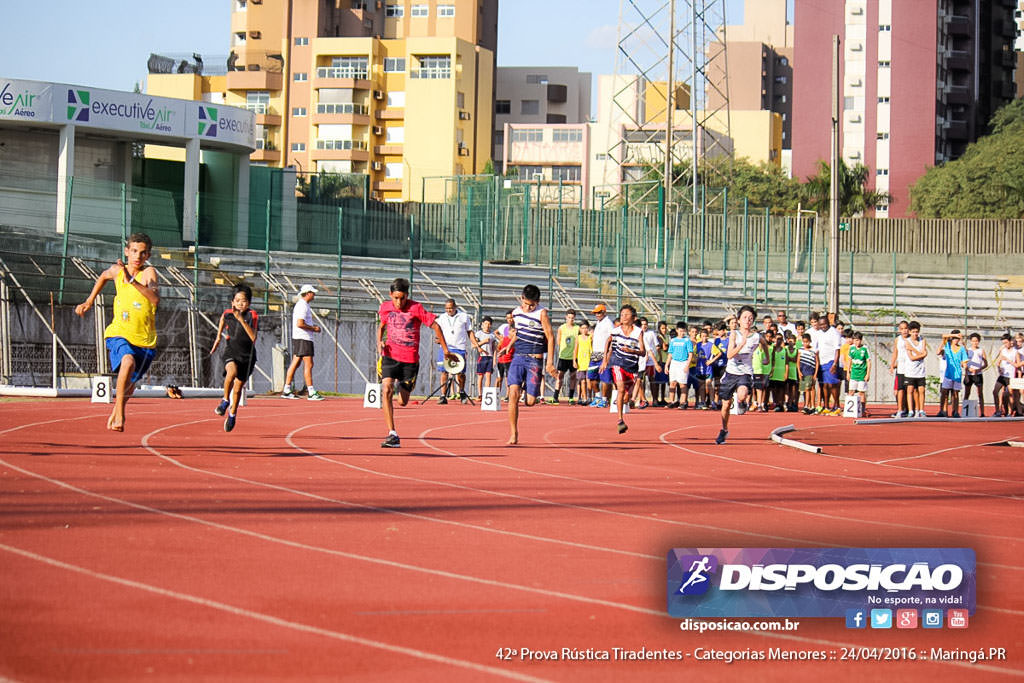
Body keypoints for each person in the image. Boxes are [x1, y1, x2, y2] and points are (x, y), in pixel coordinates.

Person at [74, 232, 159, 432]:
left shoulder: (148, 273)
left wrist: (132, 281)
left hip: (145, 340)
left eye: (143, 253)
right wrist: (89, 301)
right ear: (126, 251)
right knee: (127, 361)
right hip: (118, 332)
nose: (138, 256)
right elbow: (103, 276)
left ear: (148, 255)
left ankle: (117, 410)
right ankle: (120, 413)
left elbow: (154, 299)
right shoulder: (117, 271)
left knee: (131, 384)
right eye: (134, 251)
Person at [377, 278, 455, 448]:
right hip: (390, 355)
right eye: (396, 298)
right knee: (386, 389)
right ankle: (392, 433)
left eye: (403, 298)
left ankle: (402, 386)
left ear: (407, 296)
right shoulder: (385, 307)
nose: (399, 302)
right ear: (391, 295)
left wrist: (446, 350)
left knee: (403, 401)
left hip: (410, 361)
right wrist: (380, 343)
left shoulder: (416, 308)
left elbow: (435, 326)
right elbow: (381, 326)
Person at [506, 284, 556, 444]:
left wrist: (549, 362)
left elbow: (551, 337)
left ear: (537, 302)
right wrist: (509, 345)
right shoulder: (515, 313)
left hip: (535, 360)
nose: (528, 307)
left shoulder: (542, 314)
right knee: (513, 394)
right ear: (522, 298)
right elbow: (517, 333)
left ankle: (528, 388)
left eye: (532, 305)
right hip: (518, 358)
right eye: (526, 304)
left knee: (530, 401)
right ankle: (513, 434)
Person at [715, 305, 768, 445]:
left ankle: (742, 401)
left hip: (745, 373)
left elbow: (764, 344)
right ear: (738, 320)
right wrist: (742, 344)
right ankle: (724, 430)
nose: (748, 320)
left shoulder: (756, 336)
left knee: (742, 394)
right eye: (745, 317)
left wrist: (766, 357)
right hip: (731, 372)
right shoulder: (734, 334)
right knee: (725, 405)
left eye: (750, 318)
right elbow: (730, 354)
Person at [210, 284, 258, 432]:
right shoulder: (228, 313)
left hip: (247, 356)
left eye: (243, 301)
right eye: (237, 301)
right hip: (231, 351)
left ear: (248, 303)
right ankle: (225, 401)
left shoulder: (252, 315)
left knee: (237, 389)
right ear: (232, 302)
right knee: (231, 373)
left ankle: (232, 414)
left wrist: (241, 320)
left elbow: (253, 337)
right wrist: (218, 337)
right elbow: (222, 320)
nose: (240, 304)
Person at [599, 305, 646, 434]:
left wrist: (631, 350)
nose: (624, 316)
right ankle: (620, 420)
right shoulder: (615, 331)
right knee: (620, 389)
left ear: (633, 317)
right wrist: (605, 361)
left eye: (627, 314)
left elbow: (643, 352)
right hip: (617, 363)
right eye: (622, 314)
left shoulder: (638, 332)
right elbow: (608, 344)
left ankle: (621, 400)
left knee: (627, 397)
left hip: (632, 367)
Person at [282, 284, 324, 400]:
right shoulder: (302, 306)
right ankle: (311, 391)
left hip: (301, 338)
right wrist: (314, 328)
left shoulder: (302, 305)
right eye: (313, 293)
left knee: (296, 363)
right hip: (303, 338)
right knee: (309, 364)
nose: (314, 295)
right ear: (308, 293)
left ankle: (286, 388)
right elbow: (300, 323)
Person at [436, 298, 479, 404]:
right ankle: (443, 395)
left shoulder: (464, 316)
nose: (449, 310)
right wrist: (438, 340)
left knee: (460, 372)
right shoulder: (442, 317)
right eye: (447, 308)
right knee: (444, 371)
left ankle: (462, 391)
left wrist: (475, 343)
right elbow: (438, 331)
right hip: (445, 348)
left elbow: (470, 331)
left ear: (455, 307)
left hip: (459, 347)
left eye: (450, 308)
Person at [587, 304, 615, 407]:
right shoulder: (598, 323)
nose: (597, 315)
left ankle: (604, 399)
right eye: (595, 313)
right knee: (592, 377)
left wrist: (608, 355)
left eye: (599, 312)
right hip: (595, 354)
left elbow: (612, 339)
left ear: (604, 312)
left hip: (604, 354)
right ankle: (598, 397)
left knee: (605, 378)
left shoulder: (608, 323)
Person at [551, 309, 579, 404]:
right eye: (569, 317)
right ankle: (555, 396)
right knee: (560, 376)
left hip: (573, 357)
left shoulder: (577, 328)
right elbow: (558, 341)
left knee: (573, 377)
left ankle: (571, 397)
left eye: (572, 318)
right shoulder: (561, 328)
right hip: (563, 356)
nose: (571, 319)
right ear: (566, 317)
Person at [938, 330, 967, 418]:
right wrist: (954, 335)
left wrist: (966, 369)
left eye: (957, 338)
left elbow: (964, 361)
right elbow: (943, 336)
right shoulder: (948, 346)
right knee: (944, 392)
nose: (956, 340)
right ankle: (943, 410)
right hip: (948, 373)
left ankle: (955, 411)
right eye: (954, 338)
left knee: (955, 393)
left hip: (957, 374)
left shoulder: (961, 349)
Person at [666, 321, 694, 409]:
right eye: (680, 331)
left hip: (683, 362)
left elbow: (690, 354)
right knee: (672, 383)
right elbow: (670, 353)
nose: (682, 333)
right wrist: (667, 365)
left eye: (683, 331)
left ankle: (683, 402)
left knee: (682, 384)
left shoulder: (687, 340)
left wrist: (687, 365)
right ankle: (671, 401)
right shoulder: (673, 341)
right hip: (674, 363)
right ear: (677, 330)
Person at [904, 322, 928, 417]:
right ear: (909, 332)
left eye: (917, 332)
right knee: (910, 391)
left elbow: (924, 354)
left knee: (921, 390)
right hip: (910, 371)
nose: (915, 334)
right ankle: (911, 411)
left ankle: (921, 410)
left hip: (920, 371)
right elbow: (911, 357)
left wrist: (914, 350)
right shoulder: (907, 341)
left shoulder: (922, 340)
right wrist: (920, 354)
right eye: (913, 332)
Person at [993, 333, 1020, 417]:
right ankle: (997, 410)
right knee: (995, 392)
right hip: (1003, 375)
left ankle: (1010, 411)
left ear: (1010, 342)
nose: (1005, 345)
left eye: (1006, 343)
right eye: (1003, 343)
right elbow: (998, 362)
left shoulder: (1015, 352)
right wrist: (999, 369)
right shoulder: (1003, 350)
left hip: (1010, 376)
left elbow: (1017, 365)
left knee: (1010, 394)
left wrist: (1008, 360)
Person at [962, 332, 988, 417]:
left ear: (979, 341)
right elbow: (963, 362)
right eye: (973, 341)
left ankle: (982, 412)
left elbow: (985, 364)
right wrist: (967, 369)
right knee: (967, 393)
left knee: (980, 393)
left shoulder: (981, 350)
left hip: (978, 374)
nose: (975, 343)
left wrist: (978, 369)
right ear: (970, 341)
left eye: (976, 341)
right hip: (969, 374)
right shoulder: (968, 350)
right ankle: (964, 412)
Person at [889, 320, 911, 418]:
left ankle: (910, 409)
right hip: (901, 368)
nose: (904, 331)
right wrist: (892, 365)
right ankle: (900, 410)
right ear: (899, 330)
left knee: (910, 390)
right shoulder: (898, 340)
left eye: (906, 328)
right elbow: (895, 353)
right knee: (899, 389)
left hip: (911, 368)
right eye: (902, 329)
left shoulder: (912, 339)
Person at [846, 331, 871, 416]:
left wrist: (868, 374)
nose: (857, 342)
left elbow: (868, 362)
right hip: (853, 373)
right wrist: (848, 372)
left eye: (858, 340)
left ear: (861, 340)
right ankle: (849, 410)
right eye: (855, 340)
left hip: (862, 374)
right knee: (851, 391)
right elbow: (849, 360)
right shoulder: (852, 348)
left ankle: (863, 410)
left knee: (861, 393)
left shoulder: (865, 348)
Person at [474, 316, 497, 399]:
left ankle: (486, 394)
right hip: (482, 357)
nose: (487, 325)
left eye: (489, 324)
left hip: (490, 357)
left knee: (488, 375)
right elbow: (474, 345)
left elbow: (494, 348)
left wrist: (494, 359)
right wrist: (483, 342)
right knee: (480, 376)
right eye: (485, 323)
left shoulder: (492, 335)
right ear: (482, 324)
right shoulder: (478, 334)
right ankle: (480, 394)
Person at [495, 310, 515, 399]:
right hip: (502, 358)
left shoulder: (517, 327)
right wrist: (501, 339)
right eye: (508, 318)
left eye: (511, 317)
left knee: (508, 378)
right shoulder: (504, 327)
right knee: (499, 378)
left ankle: (508, 395)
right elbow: (496, 333)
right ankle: (496, 394)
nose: (510, 319)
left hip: (510, 357)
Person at [573, 319, 593, 407]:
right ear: (580, 329)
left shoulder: (590, 337)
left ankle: (590, 397)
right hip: (581, 363)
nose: (584, 330)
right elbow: (575, 350)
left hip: (589, 361)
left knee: (589, 380)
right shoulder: (578, 338)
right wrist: (574, 360)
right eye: (582, 328)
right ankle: (584, 398)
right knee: (582, 381)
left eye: (586, 328)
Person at [798, 332, 819, 414]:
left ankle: (811, 406)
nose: (805, 343)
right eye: (804, 342)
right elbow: (798, 361)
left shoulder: (814, 350)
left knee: (811, 388)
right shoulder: (801, 350)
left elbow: (817, 362)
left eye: (807, 342)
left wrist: (815, 373)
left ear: (810, 341)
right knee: (805, 389)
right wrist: (799, 372)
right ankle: (807, 405)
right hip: (803, 372)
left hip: (810, 371)